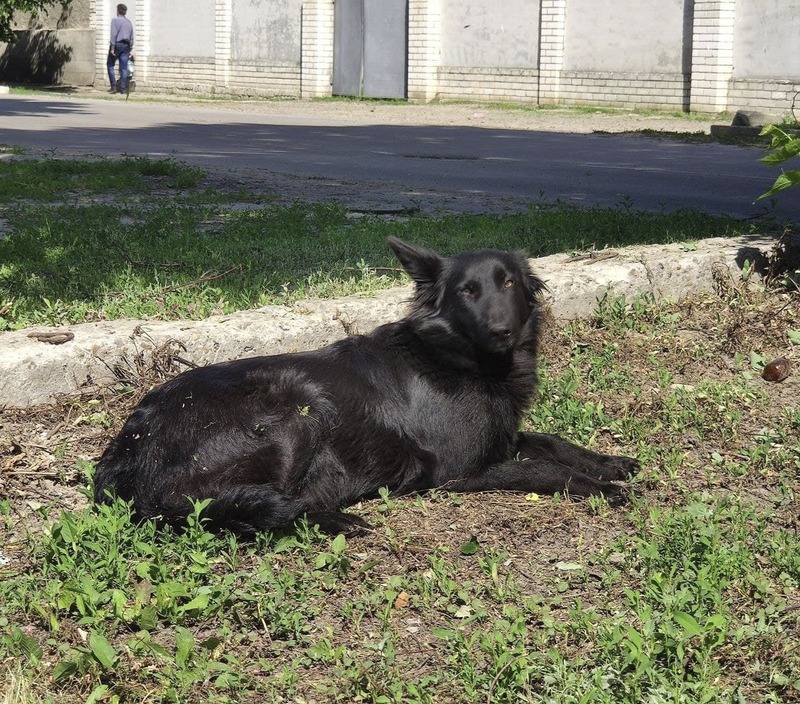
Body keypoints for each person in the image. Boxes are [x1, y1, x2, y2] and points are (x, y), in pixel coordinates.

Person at [107, 4, 134, 94]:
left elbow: (113, 34)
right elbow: (131, 36)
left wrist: (112, 48)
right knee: (124, 68)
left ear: (118, 10)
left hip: (117, 45)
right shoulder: (129, 22)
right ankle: (122, 89)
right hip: (126, 46)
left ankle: (114, 87)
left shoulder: (115, 21)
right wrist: (130, 48)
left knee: (110, 65)